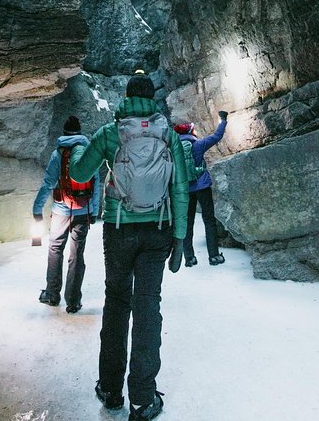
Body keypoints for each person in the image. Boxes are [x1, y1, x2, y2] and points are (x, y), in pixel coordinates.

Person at [68, 71, 188, 421]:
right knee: (148, 308)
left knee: (117, 303)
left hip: (120, 230)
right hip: (158, 232)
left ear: (127, 97)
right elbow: (179, 188)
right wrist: (179, 238)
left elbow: (79, 174)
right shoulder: (168, 136)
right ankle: (143, 399)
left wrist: (79, 148)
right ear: (152, 99)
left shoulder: (110, 133)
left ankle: (110, 390)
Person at [32, 116, 101, 314]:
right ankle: (73, 301)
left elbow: (48, 184)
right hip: (83, 210)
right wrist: (94, 211)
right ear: (80, 133)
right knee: (77, 254)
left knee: (55, 249)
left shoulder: (58, 154)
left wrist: (37, 209)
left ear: (64, 133)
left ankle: (52, 295)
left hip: (61, 210)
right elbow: (95, 183)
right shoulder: (89, 153)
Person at [173, 110, 228, 267]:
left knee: (187, 223)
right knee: (209, 220)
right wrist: (223, 120)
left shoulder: (173, 150)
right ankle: (214, 256)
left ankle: (189, 258)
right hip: (202, 186)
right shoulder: (197, 145)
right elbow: (217, 136)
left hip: (185, 190)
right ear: (191, 131)